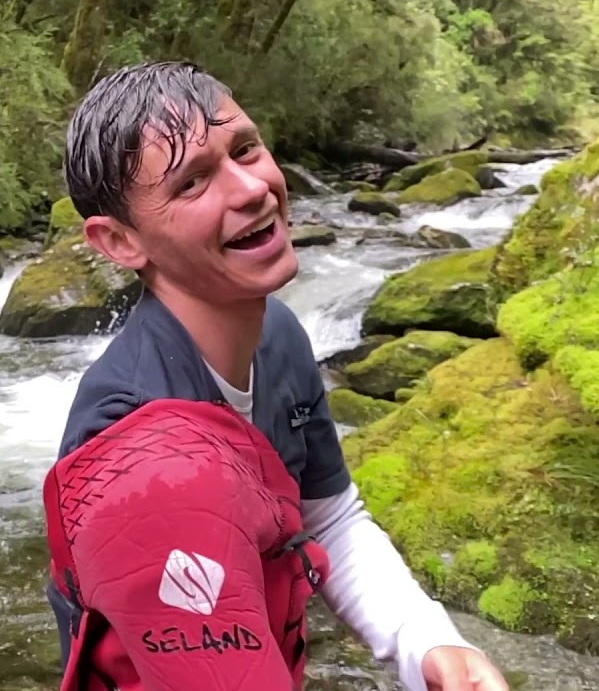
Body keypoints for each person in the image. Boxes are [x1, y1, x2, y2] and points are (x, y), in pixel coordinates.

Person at [40, 61, 511, 691]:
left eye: (245, 149)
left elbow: (328, 516)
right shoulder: (135, 448)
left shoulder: (280, 334)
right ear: (121, 241)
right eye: (192, 183)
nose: (250, 189)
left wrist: (425, 642)